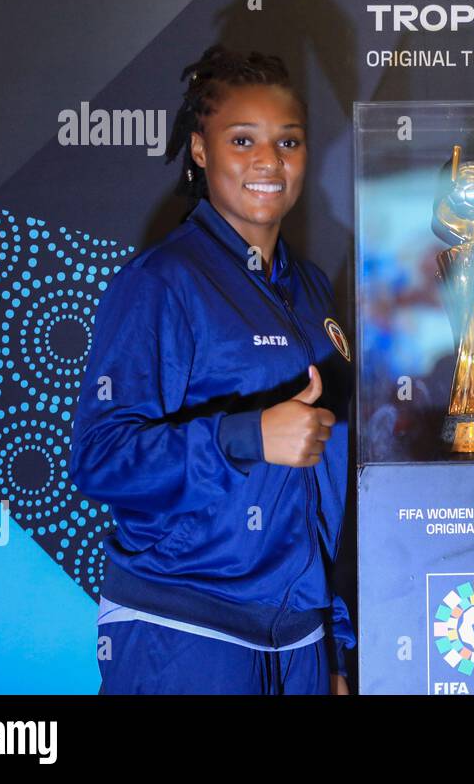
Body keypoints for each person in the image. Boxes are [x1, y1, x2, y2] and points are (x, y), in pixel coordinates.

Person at [69, 45, 355, 694]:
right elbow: (101, 458)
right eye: (243, 139)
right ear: (199, 150)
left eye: (289, 142)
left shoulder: (310, 289)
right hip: (183, 625)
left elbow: (323, 479)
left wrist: (330, 634)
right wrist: (247, 436)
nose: (268, 161)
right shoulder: (162, 282)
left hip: (298, 636)